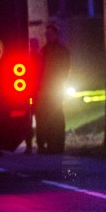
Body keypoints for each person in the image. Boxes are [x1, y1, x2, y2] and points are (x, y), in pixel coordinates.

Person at [36, 23, 71, 155]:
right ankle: (46, 144)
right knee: (46, 118)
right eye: (47, 34)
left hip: (55, 89)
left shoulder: (61, 51)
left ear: (55, 35)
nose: (48, 36)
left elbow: (66, 69)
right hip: (46, 90)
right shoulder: (44, 51)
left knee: (56, 117)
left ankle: (56, 145)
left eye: (50, 34)